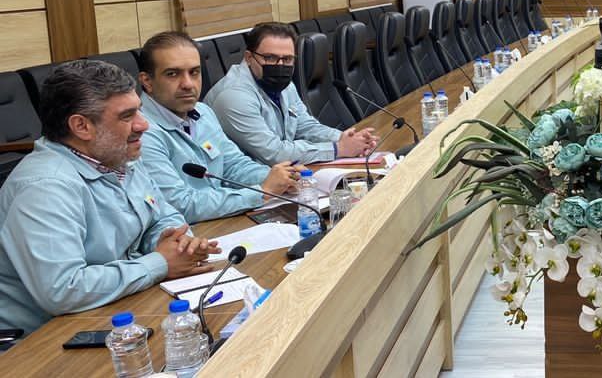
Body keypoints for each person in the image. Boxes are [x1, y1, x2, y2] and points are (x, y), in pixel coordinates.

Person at [0, 60, 219, 336]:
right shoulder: (45, 188)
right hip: (44, 340)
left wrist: (176, 244)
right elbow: (63, 289)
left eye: (139, 110)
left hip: (116, 309)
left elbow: (162, 216)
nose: (144, 125)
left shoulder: (118, 157)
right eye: (127, 116)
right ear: (81, 126)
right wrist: (160, 263)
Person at [137, 31, 303, 222]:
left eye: (194, 72)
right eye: (172, 74)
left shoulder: (203, 112)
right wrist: (261, 192)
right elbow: (180, 204)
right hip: (192, 230)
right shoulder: (142, 132)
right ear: (147, 82)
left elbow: (234, 166)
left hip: (224, 219)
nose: (188, 84)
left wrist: (281, 178)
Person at [207, 22, 378, 165]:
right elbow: (274, 153)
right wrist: (338, 149)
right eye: (270, 58)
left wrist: (347, 139)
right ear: (249, 58)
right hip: (242, 184)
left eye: (287, 59)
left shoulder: (284, 85)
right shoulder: (233, 96)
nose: (280, 65)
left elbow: (305, 126)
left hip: (279, 174)